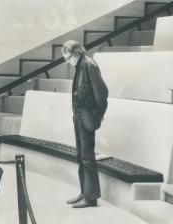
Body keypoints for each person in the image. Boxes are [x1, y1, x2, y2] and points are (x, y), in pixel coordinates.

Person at [61, 40, 109, 208]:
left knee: (88, 158)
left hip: (87, 118)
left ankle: (91, 197)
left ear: (76, 53)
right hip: (79, 117)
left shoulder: (89, 65)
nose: (68, 62)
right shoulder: (80, 66)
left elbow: (102, 93)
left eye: (68, 59)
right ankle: (85, 193)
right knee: (81, 156)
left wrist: (97, 115)